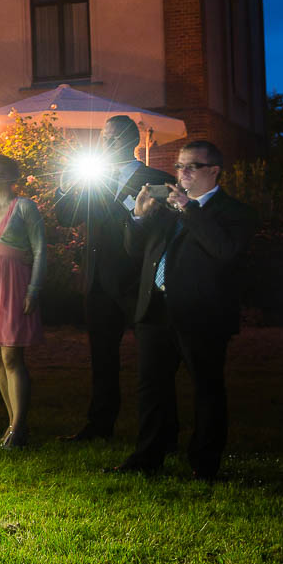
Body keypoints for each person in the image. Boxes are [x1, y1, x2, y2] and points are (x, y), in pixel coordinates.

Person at [113, 139, 257, 482]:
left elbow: (224, 252)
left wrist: (188, 209)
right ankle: (148, 455)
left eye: (191, 166)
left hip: (201, 313)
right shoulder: (166, 210)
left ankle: (204, 463)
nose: (182, 173)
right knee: (151, 386)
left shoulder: (234, 212)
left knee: (206, 387)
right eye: (179, 166)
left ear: (214, 171)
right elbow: (135, 252)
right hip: (155, 308)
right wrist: (138, 215)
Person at [54, 114, 174, 442]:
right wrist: (66, 184)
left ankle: (158, 429)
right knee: (102, 358)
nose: (105, 143)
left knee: (154, 361)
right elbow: (66, 216)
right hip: (98, 283)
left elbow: (161, 227)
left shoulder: (156, 178)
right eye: (103, 138)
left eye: (112, 138)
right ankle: (100, 425)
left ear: (130, 141)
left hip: (138, 283)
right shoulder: (93, 180)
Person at [0, 155, 47, 448]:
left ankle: (19, 426)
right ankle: (11, 422)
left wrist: (34, 289)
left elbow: (40, 250)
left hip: (14, 281)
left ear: (11, 176)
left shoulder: (25, 207)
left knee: (12, 356)